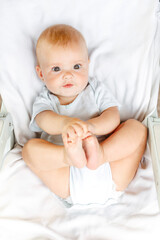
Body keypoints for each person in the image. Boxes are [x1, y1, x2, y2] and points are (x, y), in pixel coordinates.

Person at [22, 24, 147, 206]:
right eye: (56, 69)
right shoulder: (45, 100)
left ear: (88, 65)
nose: (68, 75)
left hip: (110, 167)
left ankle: (101, 153)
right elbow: (44, 120)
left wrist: (92, 127)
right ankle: (68, 155)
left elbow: (112, 115)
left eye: (76, 66)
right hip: (66, 175)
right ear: (41, 73)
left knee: (137, 128)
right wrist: (66, 124)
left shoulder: (95, 88)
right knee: (29, 149)